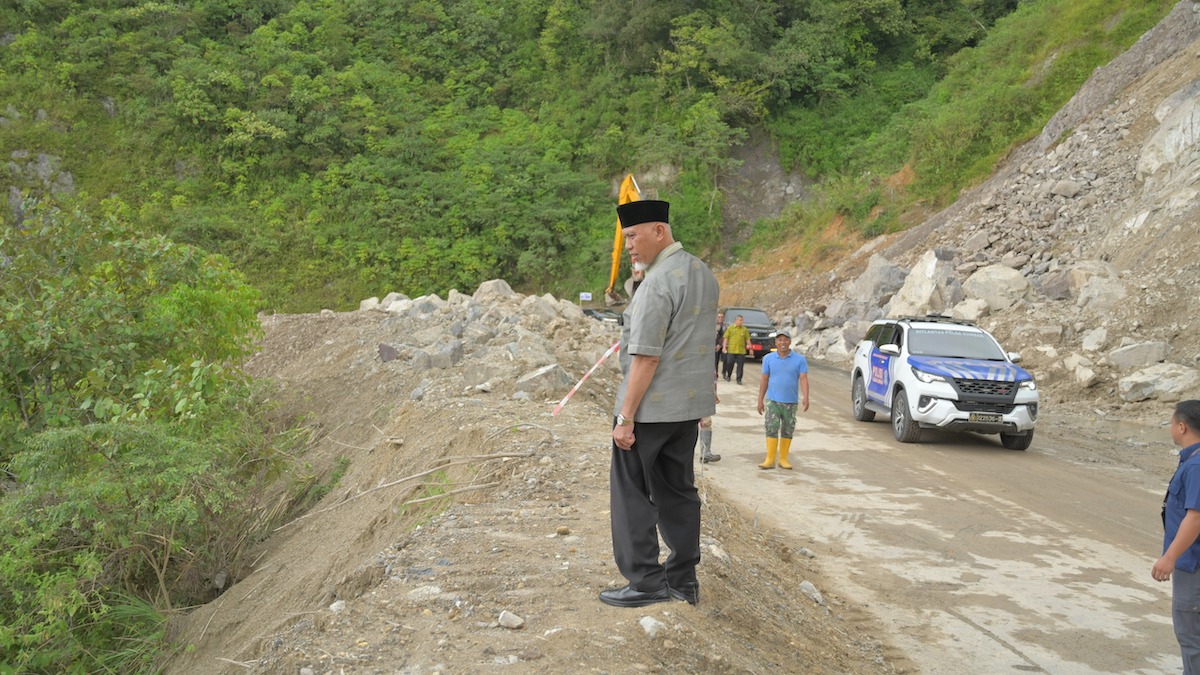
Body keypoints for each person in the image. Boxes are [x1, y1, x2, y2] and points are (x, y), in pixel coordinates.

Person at [602, 198, 719, 609]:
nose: (629, 246)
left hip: (650, 410)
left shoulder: (657, 283)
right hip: (685, 409)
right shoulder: (702, 273)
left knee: (631, 494)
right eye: (626, 238)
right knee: (678, 491)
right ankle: (683, 581)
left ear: (658, 230)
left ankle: (645, 581)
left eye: (633, 236)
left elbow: (646, 358)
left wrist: (625, 417)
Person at [1153, 399, 1200, 673]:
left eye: (1171, 423)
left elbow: (1195, 518)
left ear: (1182, 427)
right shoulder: (1192, 460)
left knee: (1192, 638)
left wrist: (1169, 557)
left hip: (1193, 565)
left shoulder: (1196, 466)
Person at [756, 331, 809, 470]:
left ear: (790, 342)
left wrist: (806, 397)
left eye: (785, 340)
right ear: (776, 343)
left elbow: (803, 378)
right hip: (773, 401)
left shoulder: (800, 359)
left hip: (791, 402)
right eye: (779, 340)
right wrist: (760, 400)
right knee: (771, 428)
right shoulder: (768, 358)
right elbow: (764, 380)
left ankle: (783, 459)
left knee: (788, 429)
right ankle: (770, 459)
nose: (782, 343)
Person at [722, 315, 750, 384]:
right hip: (731, 350)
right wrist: (724, 347)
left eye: (742, 320)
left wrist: (751, 348)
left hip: (741, 351)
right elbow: (726, 338)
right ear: (736, 321)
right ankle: (729, 375)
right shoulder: (730, 328)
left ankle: (739, 379)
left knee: (740, 366)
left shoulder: (744, 329)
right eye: (740, 320)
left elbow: (748, 339)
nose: (741, 322)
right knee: (730, 363)